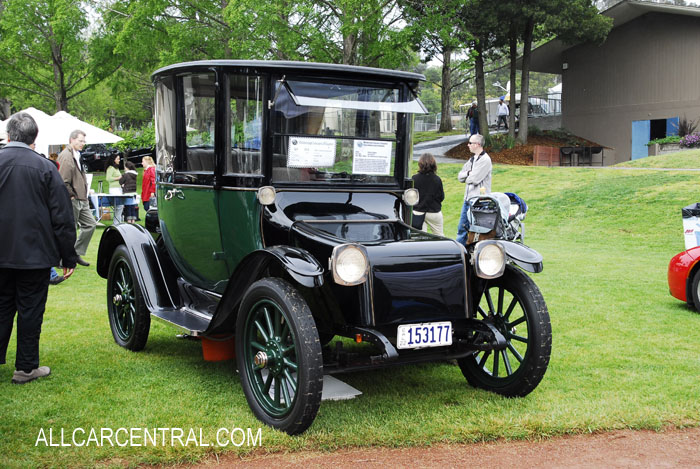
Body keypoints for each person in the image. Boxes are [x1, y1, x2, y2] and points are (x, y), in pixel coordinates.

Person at [0, 112, 77, 384]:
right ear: (34, 138)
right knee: (31, 310)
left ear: (9, 136)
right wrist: (68, 254)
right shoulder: (45, 168)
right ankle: (26, 367)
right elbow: (62, 215)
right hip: (34, 254)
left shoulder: (44, 167)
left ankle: (26, 367)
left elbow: (61, 215)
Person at [57, 130, 94, 267]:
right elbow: (62, 180)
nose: (83, 144)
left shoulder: (77, 155)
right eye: (80, 141)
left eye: (84, 141)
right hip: (72, 199)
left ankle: (75, 253)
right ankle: (63, 259)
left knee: (90, 225)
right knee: (69, 230)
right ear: (71, 140)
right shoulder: (66, 156)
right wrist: (71, 195)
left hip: (82, 198)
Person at [456, 134, 492, 246]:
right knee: (462, 228)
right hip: (467, 199)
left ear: (477, 144)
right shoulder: (472, 159)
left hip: (479, 201)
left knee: (477, 232)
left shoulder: (485, 160)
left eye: (470, 143)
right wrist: (468, 173)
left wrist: (468, 176)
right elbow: (459, 176)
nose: (468, 145)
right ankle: (460, 253)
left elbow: (474, 179)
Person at [411, 153, 444, 236]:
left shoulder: (414, 179)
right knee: (439, 236)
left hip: (418, 212)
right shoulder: (437, 179)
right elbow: (441, 197)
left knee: (419, 238)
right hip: (434, 212)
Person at [104, 152, 123, 224]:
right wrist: (118, 178)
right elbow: (108, 178)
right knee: (118, 206)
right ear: (114, 159)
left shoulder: (116, 168)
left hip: (119, 188)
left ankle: (118, 221)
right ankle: (116, 222)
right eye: (118, 159)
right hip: (114, 189)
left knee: (120, 206)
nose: (119, 160)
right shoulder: (111, 168)